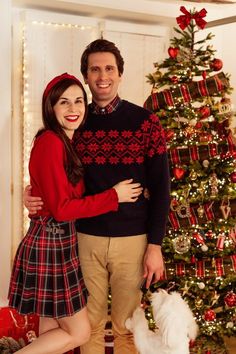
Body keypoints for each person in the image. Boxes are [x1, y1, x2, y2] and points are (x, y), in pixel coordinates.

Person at [24, 39, 171, 354]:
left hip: (132, 238)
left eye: (109, 69)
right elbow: (54, 174)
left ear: (120, 74)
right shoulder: (75, 120)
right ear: (86, 76)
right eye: (94, 70)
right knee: (86, 328)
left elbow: (161, 188)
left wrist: (155, 245)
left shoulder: (146, 123)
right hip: (83, 238)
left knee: (126, 328)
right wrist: (32, 194)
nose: (102, 76)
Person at [9, 72, 143, 354]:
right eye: (64, 102)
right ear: (51, 107)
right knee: (79, 332)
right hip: (50, 244)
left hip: (60, 241)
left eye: (78, 101)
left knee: (51, 333)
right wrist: (113, 196)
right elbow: (62, 209)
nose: (73, 109)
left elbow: (54, 193)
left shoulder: (66, 142)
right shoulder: (51, 142)